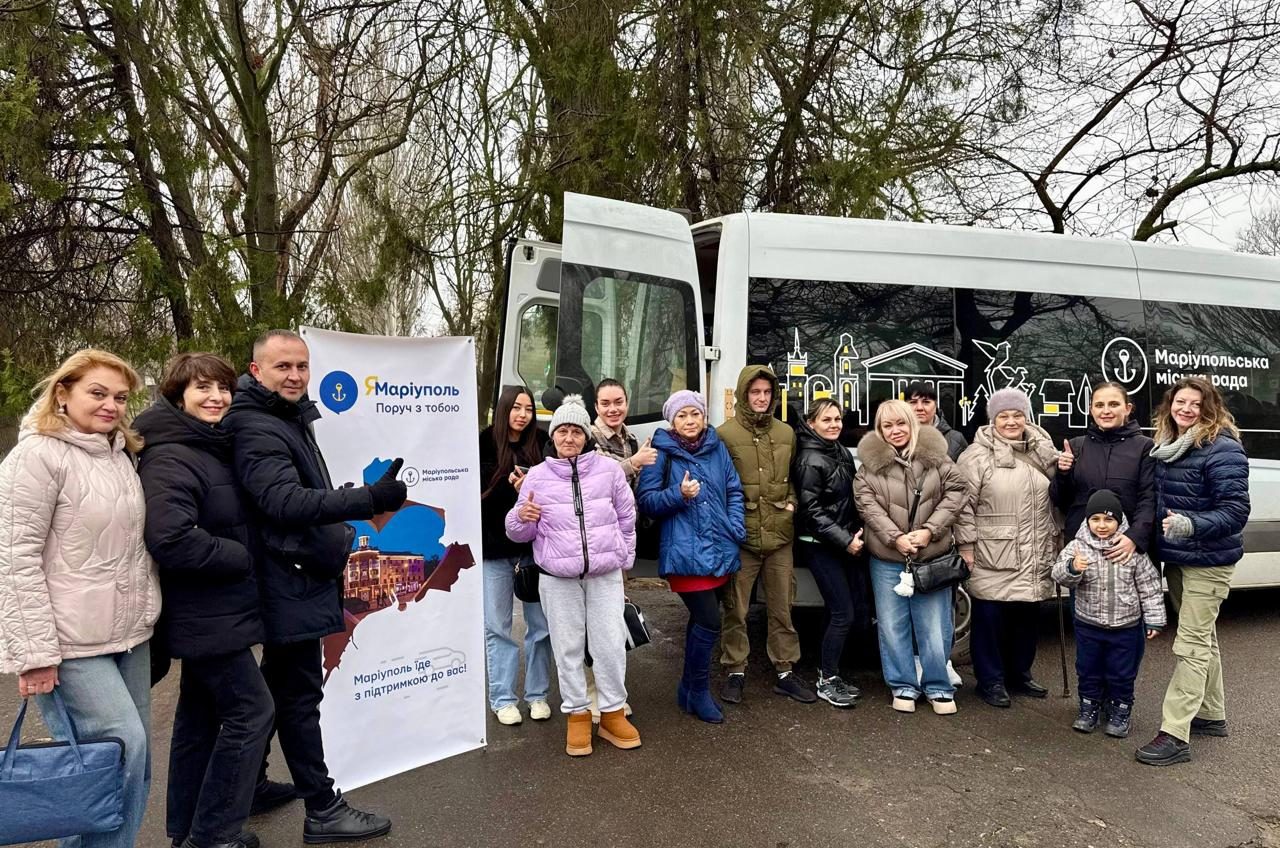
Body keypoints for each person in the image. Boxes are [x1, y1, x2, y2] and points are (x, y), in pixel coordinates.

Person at [221, 329, 406, 843]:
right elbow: (283, 502)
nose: (295, 376)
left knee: (279, 689)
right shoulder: (256, 426)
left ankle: (251, 786)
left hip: (294, 575)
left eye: (301, 366)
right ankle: (322, 809)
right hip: (287, 579)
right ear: (256, 371)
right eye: (282, 367)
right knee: (299, 696)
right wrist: (368, 499)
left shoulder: (285, 418)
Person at [0, 349, 160, 848]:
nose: (111, 405)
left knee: (132, 760)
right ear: (63, 393)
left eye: (120, 397)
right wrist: (34, 653)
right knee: (117, 750)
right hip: (69, 643)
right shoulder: (37, 456)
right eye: (98, 393)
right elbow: (13, 556)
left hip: (128, 636)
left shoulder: (119, 455)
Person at [136, 353, 273, 848]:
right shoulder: (172, 454)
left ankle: (186, 830)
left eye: (222, 388)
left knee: (198, 719)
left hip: (214, 610)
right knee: (252, 712)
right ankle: (214, 833)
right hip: (204, 613)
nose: (216, 397)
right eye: (202, 388)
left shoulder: (204, 443)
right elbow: (169, 537)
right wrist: (239, 555)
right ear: (178, 396)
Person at [505, 395, 639, 757]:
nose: (569, 437)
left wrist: (624, 557)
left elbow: (627, 517)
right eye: (562, 431)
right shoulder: (538, 476)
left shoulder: (609, 471)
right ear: (553, 435)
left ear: (586, 435)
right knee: (568, 648)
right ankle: (577, 714)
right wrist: (521, 518)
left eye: (576, 431)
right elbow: (517, 531)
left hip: (604, 574)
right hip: (557, 577)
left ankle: (612, 712)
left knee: (610, 645)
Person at [1136, 376, 1250, 767]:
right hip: (1180, 558)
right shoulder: (1169, 445)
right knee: (1204, 638)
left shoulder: (1223, 448)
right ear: (1169, 405)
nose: (1186, 409)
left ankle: (1175, 733)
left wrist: (1191, 524)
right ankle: (1211, 714)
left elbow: (1236, 511)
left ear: (1209, 408)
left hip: (1210, 560)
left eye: (1195, 404)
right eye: (1180, 402)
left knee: (1190, 644)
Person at [853, 399, 968, 715]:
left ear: (912, 424)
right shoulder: (868, 468)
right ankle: (903, 684)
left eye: (901, 423)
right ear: (879, 430)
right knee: (892, 626)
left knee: (934, 626)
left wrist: (930, 530)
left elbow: (957, 492)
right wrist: (896, 538)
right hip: (887, 559)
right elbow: (867, 505)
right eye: (887, 425)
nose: (895, 430)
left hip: (931, 557)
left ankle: (938, 685)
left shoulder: (937, 458)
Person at [637, 390, 745, 724]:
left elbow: (733, 490)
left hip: (719, 548)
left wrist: (735, 526)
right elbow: (647, 500)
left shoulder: (717, 448)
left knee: (700, 621)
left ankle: (687, 690)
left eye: (694, 414)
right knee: (710, 620)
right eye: (682, 415)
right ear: (672, 421)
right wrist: (679, 494)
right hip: (684, 553)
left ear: (704, 417)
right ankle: (698, 691)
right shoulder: (661, 452)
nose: (689, 421)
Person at [954, 387, 1062, 709]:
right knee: (990, 619)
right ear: (993, 419)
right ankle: (990, 680)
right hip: (993, 551)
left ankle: (1019, 674)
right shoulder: (975, 456)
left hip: (1036, 548)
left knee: (1027, 617)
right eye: (1004, 416)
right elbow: (962, 506)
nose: (1011, 421)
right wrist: (966, 546)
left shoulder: (1044, 450)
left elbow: (1059, 496)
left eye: (1018, 415)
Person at [717, 365, 814, 704]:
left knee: (782, 607)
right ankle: (735, 671)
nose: (761, 398)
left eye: (767, 392)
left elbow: (795, 478)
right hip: (741, 536)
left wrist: (792, 504)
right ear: (744, 394)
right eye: (755, 392)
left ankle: (785, 671)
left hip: (779, 535)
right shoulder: (724, 434)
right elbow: (717, 484)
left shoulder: (786, 433)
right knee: (736, 609)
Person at [1052, 490, 1165, 738]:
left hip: (1125, 626)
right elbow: (1058, 575)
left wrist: (1155, 619)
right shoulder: (1077, 547)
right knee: (1088, 669)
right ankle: (1088, 707)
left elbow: (1149, 586)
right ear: (1087, 520)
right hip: (1088, 624)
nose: (1102, 525)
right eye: (1095, 519)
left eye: (1108, 519)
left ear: (1119, 521)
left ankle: (1120, 710)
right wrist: (1073, 568)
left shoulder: (1131, 549)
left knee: (1122, 673)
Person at [479, 385, 554, 726]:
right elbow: (475, 497)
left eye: (528, 409)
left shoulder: (542, 442)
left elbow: (554, 492)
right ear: (504, 409)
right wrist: (509, 491)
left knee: (540, 626)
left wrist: (530, 489)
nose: (522, 415)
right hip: (494, 550)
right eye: (516, 408)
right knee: (498, 626)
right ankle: (503, 698)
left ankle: (537, 695)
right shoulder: (483, 443)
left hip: (533, 551)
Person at [792, 398, 866, 708]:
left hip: (842, 543)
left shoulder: (840, 452)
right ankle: (826, 681)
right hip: (820, 545)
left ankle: (829, 672)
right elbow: (811, 512)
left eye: (837, 419)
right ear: (811, 424)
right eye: (826, 420)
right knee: (842, 613)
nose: (834, 424)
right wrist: (845, 540)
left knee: (841, 612)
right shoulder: (809, 459)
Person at [1050, 381, 1156, 560]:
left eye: (1113, 404)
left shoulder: (1145, 447)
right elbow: (1060, 500)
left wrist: (1134, 537)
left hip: (1128, 552)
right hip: (1083, 553)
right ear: (1090, 410)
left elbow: (1149, 499)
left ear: (1128, 408)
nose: (1106, 411)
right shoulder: (1076, 447)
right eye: (1099, 405)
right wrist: (1063, 473)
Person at [592, 377, 658, 485]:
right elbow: (598, 480)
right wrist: (634, 463)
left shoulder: (634, 442)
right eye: (605, 404)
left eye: (618, 402)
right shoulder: (588, 438)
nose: (613, 409)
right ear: (596, 408)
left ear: (627, 404)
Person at [906, 381, 968, 461]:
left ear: (935, 406)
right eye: (913, 402)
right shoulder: (897, 436)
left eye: (926, 402)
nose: (919, 408)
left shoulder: (956, 439)